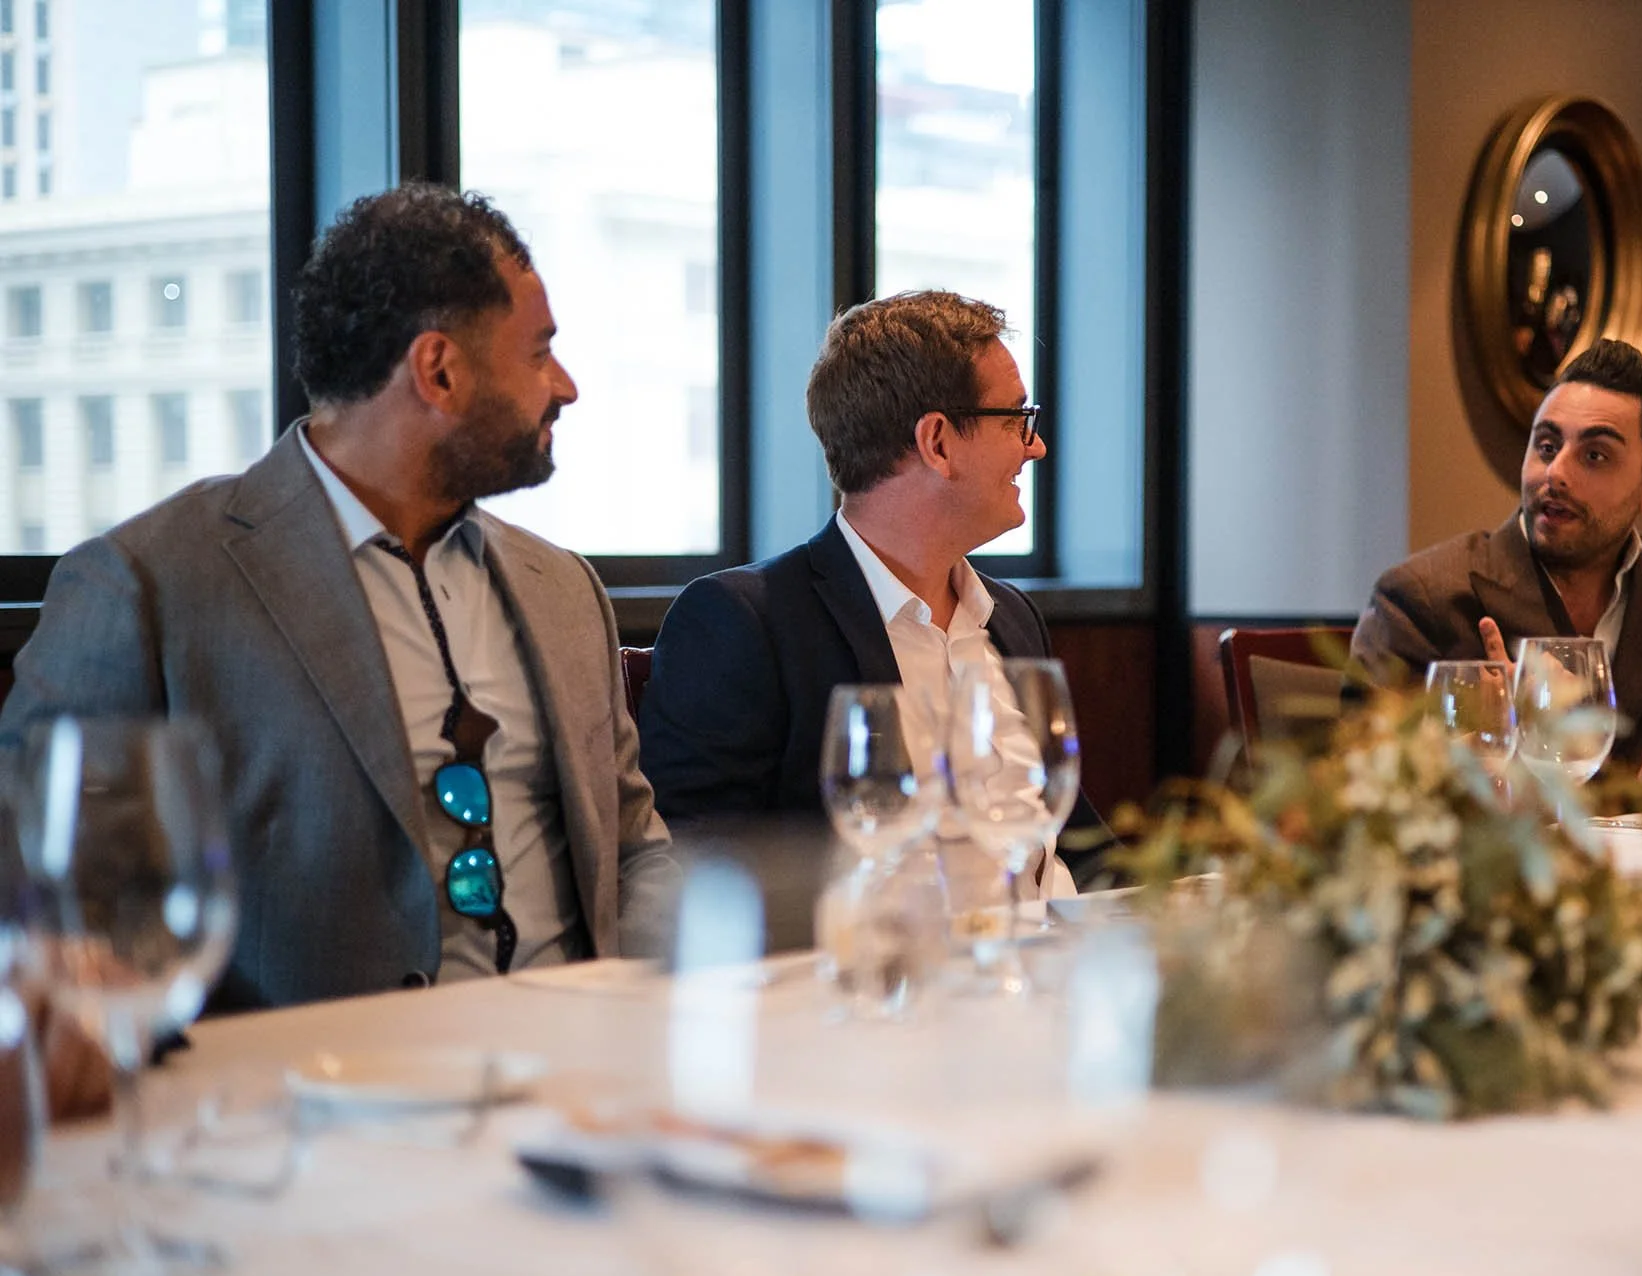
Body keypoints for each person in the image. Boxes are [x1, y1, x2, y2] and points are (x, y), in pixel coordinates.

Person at [0, 182, 675, 1013]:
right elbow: (32, 880)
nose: (565, 386)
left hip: (589, 1080)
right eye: (538, 352)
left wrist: (669, 996)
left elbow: (636, 848)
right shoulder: (144, 583)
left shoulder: (565, 588)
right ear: (438, 370)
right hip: (294, 1104)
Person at [638, 289, 1098, 890]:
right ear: (937, 442)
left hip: (1055, 963)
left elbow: (1081, 848)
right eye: (1015, 419)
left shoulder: (1012, 615)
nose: (1034, 445)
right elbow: (705, 878)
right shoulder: (745, 622)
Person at [1352, 339, 1642, 792]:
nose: (1555, 472)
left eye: (1594, 455)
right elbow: (1354, 784)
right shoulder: (1422, 598)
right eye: (1546, 445)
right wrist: (1485, 756)